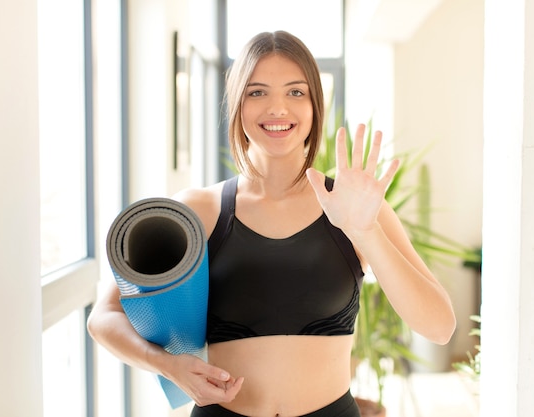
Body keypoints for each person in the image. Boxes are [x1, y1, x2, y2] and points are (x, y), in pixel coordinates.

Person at [87, 30, 456, 417]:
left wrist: (366, 231)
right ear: (236, 105)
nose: (278, 108)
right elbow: (104, 317)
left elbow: (439, 327)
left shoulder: (357, 209)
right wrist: (168, 365)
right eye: (257, 92)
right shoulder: (199, 210)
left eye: (295, 92)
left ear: (315, 105)